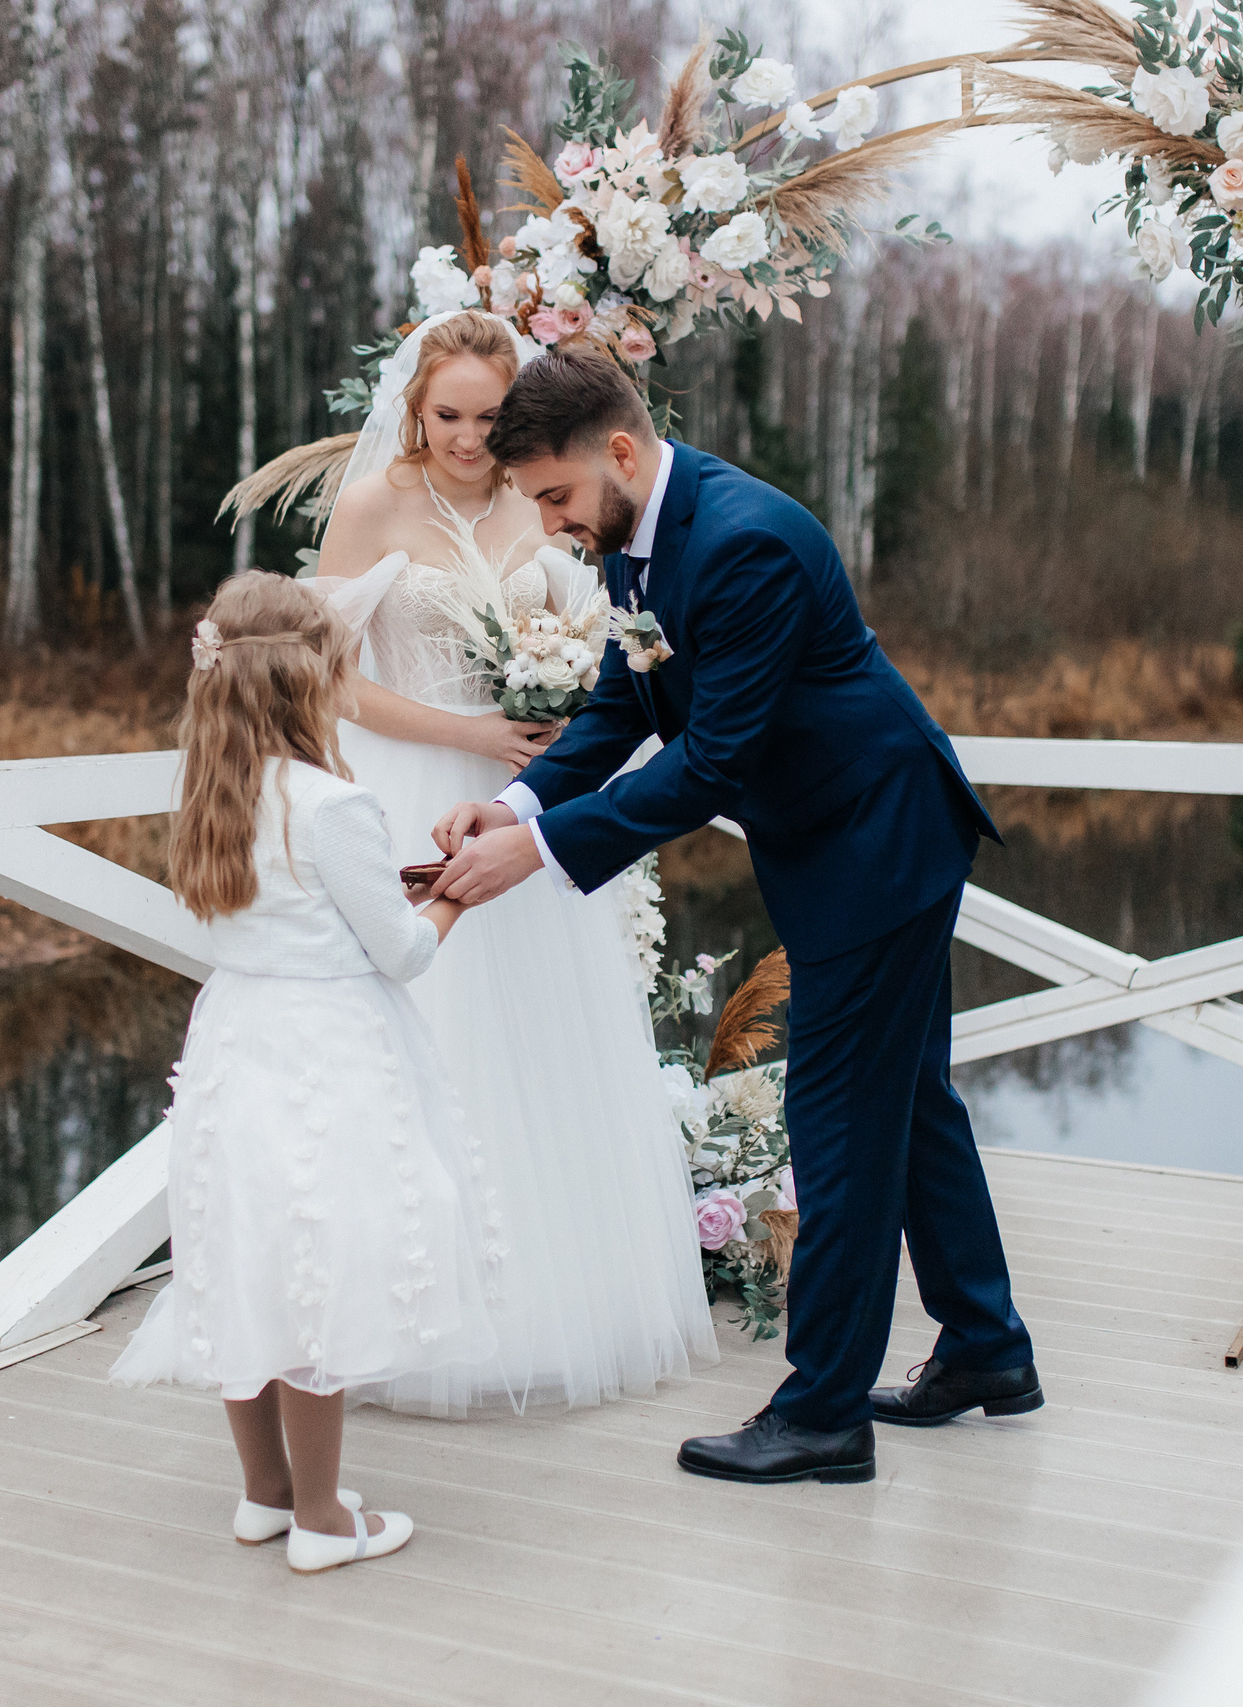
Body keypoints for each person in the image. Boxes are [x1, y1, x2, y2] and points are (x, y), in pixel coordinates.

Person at [432, 345, 1041, 1486]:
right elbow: (626, 704)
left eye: (557, 495)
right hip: (843, 840)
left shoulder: (745, 539)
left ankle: (822, 1415)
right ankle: (987, 1349)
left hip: (878, 838)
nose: (556, 525)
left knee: (839, 1130)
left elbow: (711, 759)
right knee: (906, 1102)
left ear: (618, 451)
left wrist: (544, 851)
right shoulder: (636, 541)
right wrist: (513, 800)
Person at [310, 310, 716, 1416]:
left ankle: (555, 1305)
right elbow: (323, 679)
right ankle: (415, 1318)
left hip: (535, 806)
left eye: (490, 417)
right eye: (448, 414)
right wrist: (468, 738)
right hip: (414, 792)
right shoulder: (371, 506)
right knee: (434, 1047)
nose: (467, 437)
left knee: (547, 1044)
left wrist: (554, 710)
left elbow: (609, 652)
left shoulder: (544, 505)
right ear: (413, 405)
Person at [109, 572, 501, 1574]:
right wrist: (454, 896)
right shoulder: (334, 804)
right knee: (319, 1273)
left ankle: (265, 1495)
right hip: (327, 1050)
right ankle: (324, 1521)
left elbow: (281, 910)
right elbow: (403, 956)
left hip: (240, 1036)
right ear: (319, 676)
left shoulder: (210, 788)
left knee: (247, 1260)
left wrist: (391, 893)